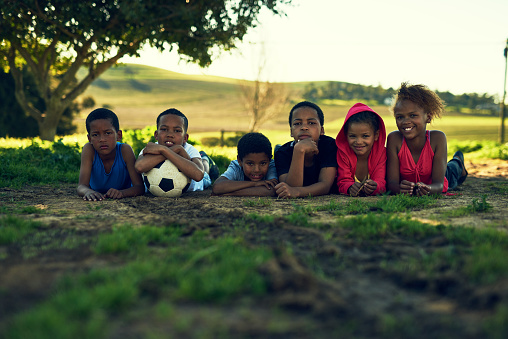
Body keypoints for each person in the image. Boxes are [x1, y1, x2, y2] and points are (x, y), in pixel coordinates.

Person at [386, 82, 468, 196]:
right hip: (419, 185)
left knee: (451, 170)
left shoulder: (437, 138)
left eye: (413, 115)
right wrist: (400, 189)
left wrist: (428, 188)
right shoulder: (394, 139)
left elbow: (438, 185)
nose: (406, 121)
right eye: (400, 117)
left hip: (441, 177)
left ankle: (458, 161)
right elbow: (391, 183)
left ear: (428, 117)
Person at [134, 108, 214, 192]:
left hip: (201, 181)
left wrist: (175, 150)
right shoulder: (152, 149)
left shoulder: (189, 149)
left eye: (177, 131)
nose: (170, 135)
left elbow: (198, 175)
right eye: (164, 129)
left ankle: (205, 159)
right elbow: (139, 167)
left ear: (185, 138)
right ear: (156, 135)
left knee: (205, 172)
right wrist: (169, 150)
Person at [77, 108, 145, 201]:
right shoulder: (89, 150)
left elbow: (139, 187)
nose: (102, 139)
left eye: (108, 133)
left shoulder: (125, 150)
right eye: (95, 135)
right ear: (89, 138)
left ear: (119, 135)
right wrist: (88, 192)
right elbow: (81, 186)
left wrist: (122, 193)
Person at [274, 101, 338, 198]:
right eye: (297, 123)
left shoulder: (329, 146)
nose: (304, 127)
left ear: (322, 130)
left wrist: (298, 192)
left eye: (311, 123)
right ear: (291, 132)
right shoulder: (282, 153)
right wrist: (299, 151)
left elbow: (325, 185)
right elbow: (289, 187)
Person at [336, 103, 386, 196]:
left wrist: (375, 187)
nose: (358, 141)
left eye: (365, 136)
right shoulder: (343, 153)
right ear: (346, 135)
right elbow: (342, 182)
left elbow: (381, 182)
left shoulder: (381, 153)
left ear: (376, 135)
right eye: (352, 136)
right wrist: (350, 187)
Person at [212, 132, 278, 196]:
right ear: (239, 161)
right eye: (250, 164)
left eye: (263, 163)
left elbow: (270, 190)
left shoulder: (271, 165)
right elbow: (217, 187)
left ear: (269, 160)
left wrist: (229, 193)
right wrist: (255, 184)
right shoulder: (236, 166)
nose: (257, 170)